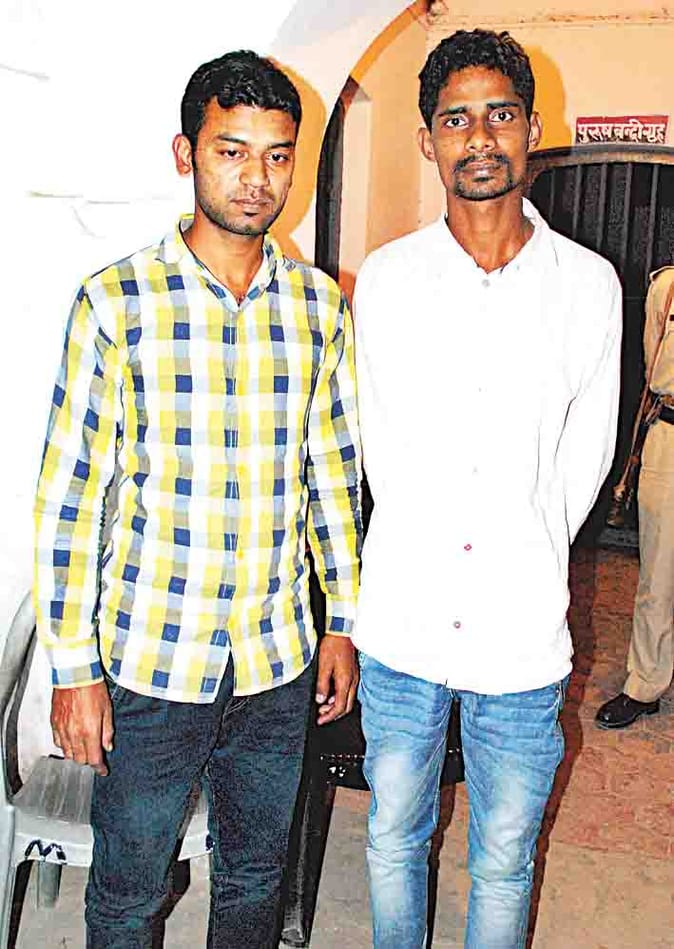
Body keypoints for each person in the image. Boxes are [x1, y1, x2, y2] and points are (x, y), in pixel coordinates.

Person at [33, 50, 361, 948]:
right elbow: (69, 497)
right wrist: (73, 669)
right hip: (153, 660)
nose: (257, 178)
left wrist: (340, 621)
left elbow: (332, 472)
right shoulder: (115, 302)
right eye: (232, 151)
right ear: (186, 154)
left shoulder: (319, 307)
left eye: (277, 155)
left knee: (255, 879)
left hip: (277, 659)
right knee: (128, 891)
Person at [352, 29, 621, 949]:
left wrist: (519, 544)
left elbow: (582, 462)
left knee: (505, 857)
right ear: (427, 140)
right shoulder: (388, 281)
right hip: (403, 624)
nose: (479, 137)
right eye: (456, 119)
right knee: (393, 835)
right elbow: (378, 446)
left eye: (499, 114)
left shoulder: (588, 286)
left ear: (532, 130)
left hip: (519, 633)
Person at [596, 265, 674, 729]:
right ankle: (645, 683)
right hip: (670, 435)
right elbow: (652, 367)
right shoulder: (666, 288)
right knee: (658, 575)